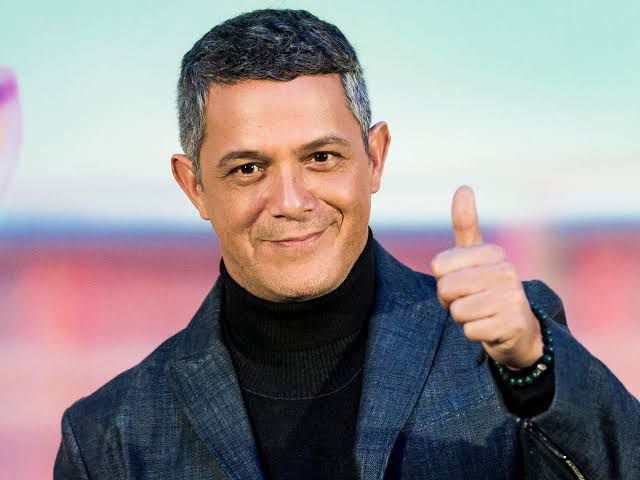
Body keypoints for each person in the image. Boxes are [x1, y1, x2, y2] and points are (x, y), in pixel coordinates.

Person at [54, 9, 639, 479]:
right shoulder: (110, 438)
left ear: (374, 158)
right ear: (194, 186)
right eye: (249, 169)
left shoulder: (507, 349)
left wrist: (533, 368)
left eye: (320, 157)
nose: (290, 200)